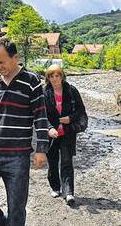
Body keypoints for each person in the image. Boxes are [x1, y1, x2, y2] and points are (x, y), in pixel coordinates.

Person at [0, 38, 55, 226]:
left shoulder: (31, 81)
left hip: (17, 157)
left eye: (2, 62)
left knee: (16, 208)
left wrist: (41, 149)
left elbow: (40, 118)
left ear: (15, 57)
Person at [44, 64, 85, 206]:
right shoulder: (44, 93)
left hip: (68, 133)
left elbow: (81, 110)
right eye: (51, 76)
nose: (55, 79)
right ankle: (55, 187)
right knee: (53, 162)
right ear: (48, 78)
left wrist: (71, 118)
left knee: (67, 162)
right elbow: (40, 115)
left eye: (57, 75)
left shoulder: (71, 90)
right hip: (52, 135)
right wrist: (49, 128)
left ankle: (68, 192)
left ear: (62, 76)